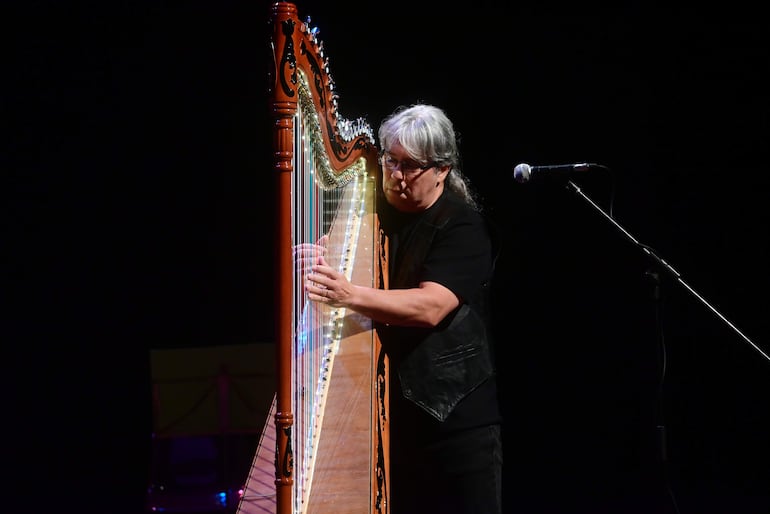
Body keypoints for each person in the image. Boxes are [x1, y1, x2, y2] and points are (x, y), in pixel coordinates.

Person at [305, 104, 503, 514]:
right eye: (390, 159)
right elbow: (346, 281)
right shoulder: (373, 213)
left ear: (442, 169)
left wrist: (349, 293)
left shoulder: (462, 226)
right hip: (390, 421)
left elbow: (431, 306)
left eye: (410, 165)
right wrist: (317, 262)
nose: (395, 174)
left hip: (452, 422)